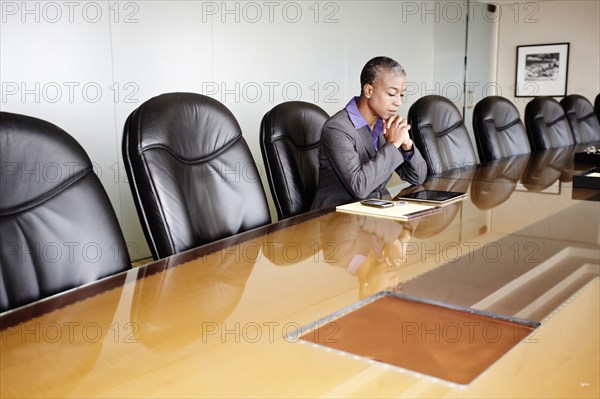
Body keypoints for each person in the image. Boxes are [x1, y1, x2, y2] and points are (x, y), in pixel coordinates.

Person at [311, 56, 427, 209]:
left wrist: (407, 144)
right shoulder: (337, 128)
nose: (399, 102)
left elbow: (418, 177)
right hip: (337, 218)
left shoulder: (385, 124)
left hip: (376, 213)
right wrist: (393, 144)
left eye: (401, 95)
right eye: (392, 94)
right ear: (368, 90)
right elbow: (360, 187)